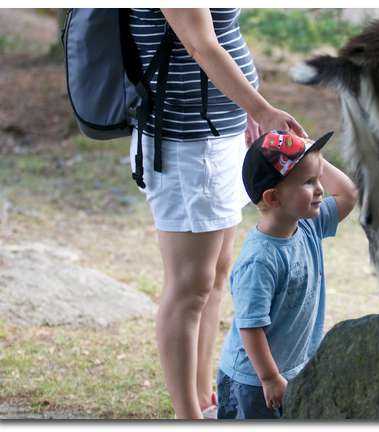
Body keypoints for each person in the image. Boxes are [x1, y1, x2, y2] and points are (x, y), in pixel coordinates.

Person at [128, 8, 307, 419]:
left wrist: (241, 103)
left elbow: (222, 32)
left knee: (215, 276)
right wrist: (261, 108)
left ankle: (203, 398)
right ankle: (186, 415)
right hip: (184, 142)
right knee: (189, 286)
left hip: (219, 133)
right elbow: (198, 44)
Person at [216, 130, 358, 419]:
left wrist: (310, 154)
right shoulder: (260, 260)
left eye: (318, 179)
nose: (320, 189)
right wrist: (269, 378)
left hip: (291, 369)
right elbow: (251, 327)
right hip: (254, 381)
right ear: (273, 197)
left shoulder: (308, 225)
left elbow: (348, 193)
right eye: (308, 182)